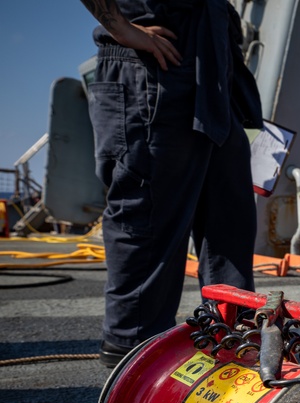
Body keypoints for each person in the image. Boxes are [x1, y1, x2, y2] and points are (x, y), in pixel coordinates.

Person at [81, 0, 262, 367]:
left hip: (213, 64)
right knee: (149, 214)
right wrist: (122, 28)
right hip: (154, 64)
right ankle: (134, 355)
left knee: (228, 220)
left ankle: (231, 339)